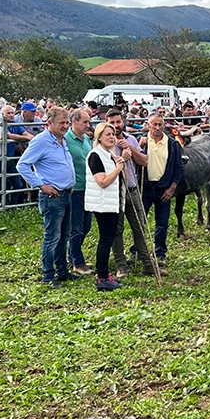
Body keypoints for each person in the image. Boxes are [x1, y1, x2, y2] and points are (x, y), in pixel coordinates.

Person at [16, 107, 78, 288]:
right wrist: (41, 184)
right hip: (52, 196)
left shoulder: (62, 139)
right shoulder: (41, 141)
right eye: (62, 123)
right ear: (49, 123)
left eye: (67, 122)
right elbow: (23, 165)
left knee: (64, 234)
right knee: (52, 236)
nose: (65, 126)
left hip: (66, 192)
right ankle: (48, 274)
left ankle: (62, 271)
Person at [105, 109, 165, 277]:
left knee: (139, 227)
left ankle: (147, 263)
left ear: (123, 122)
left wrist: (130, 148)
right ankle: (121, 265)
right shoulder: (103, 143)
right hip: (114, 192)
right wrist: (122, 156)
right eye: (112, 122)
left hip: (132, 190)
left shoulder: (131, 139)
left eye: (118, 122)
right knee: (117, 230)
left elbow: (144, 161)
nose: (116, 126)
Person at [85, 122, 126, 291]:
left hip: (110, 202)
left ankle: (103, 274)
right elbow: (102, 181)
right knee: (106, 239)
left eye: (113, 134)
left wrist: (119, 164)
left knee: (108, 238)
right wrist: (118, 168)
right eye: (107, 134)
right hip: (102, 204)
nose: (111, 137)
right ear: (99, 137)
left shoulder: (108, 154)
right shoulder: (95, 155)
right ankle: (101, 277)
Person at [139, 114, 183, 267]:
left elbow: (178, 168)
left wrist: (172, 188)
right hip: (145, 188)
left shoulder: (172, 144)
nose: (157, 128)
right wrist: (139, 146)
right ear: (148, 125)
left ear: (164, 126)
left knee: (162, 224)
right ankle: (137, 251)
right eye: (154, 125)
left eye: (160, 125)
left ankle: (160, 253)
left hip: (164, 188)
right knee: (140, 222)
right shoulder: (142, 142)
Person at [66, 109, 94, 275]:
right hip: (75, 189)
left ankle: (73, 255)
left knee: (86, 226)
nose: (87, 125)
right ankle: (77, 262)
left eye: (88, 122)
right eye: (84, 122)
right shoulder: (66, 140)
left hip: (88, 187)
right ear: (74, 121)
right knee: (76, 228)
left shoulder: (86, 140)